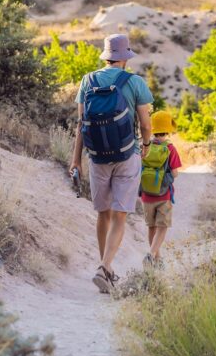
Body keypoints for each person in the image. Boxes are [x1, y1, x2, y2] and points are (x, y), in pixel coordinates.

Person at [69, 33, 153, 294]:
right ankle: (105, 267)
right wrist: (147, 145)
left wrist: (76, 161)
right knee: (120, 214)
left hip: (97, 158)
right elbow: (146, 124)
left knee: (103, 213)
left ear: (106, 57)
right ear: (125, 58)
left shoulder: (87, 81)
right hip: (128, 155)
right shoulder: (135, 82)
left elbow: (81, 126)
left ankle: (104, 266)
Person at [139, 110, 182, 268]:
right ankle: (151, 255)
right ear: (168, 128)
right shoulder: (170, 148)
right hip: (164, 195)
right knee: (162, 227)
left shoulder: (145, 146)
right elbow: (175, 173)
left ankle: (157, 259)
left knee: (151, 227)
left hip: (146, 195)